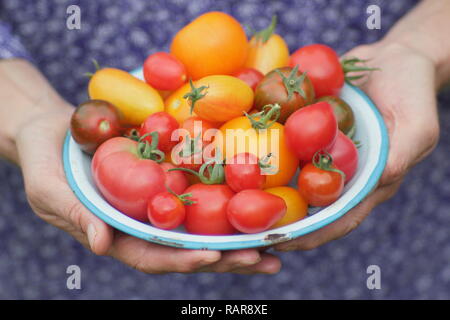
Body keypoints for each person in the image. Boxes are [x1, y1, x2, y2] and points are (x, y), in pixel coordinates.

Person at [0, 0, 449, 296]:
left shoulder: (261, 128)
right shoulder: (182, 136)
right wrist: (27, 114)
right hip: (73, 266)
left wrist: (420, 47)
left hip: (383, 252)